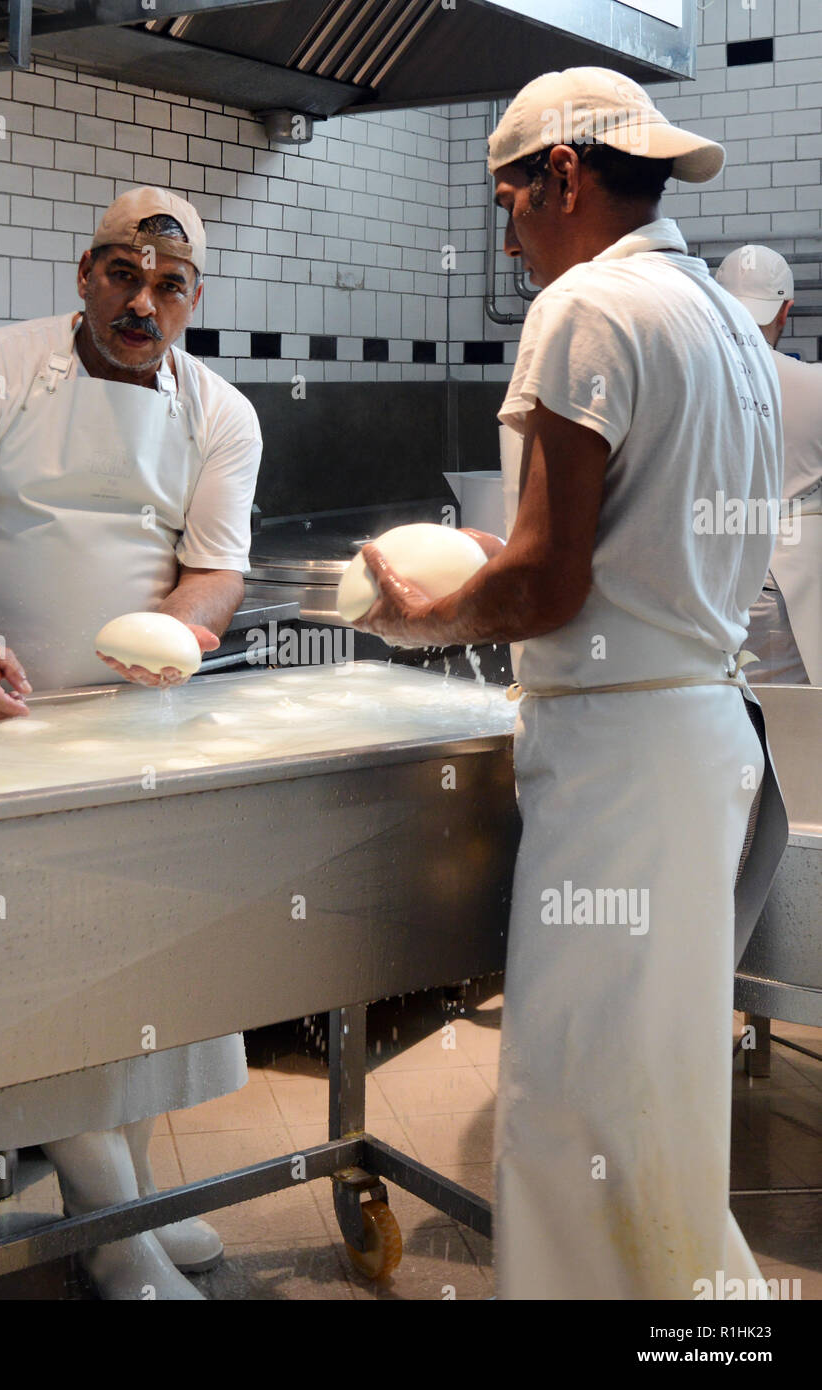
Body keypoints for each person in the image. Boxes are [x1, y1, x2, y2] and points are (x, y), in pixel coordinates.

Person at [353, 67, 788, 1299]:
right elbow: (615, 550)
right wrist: (505, 567)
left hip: (620, 759)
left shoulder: (588, 305)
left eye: (510, 203)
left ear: (561, 173)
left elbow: (549, 585)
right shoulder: (721, 322)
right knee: (655, 1080)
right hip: (698, 731)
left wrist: (430, 614)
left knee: (574, 1092)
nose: (507, 236)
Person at [0, 187, 262, 1299]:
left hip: (134, 729)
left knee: (138, 969)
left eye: (168, 284)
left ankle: (126, 1199)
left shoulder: (221, 411)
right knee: (42, 973)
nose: (142, 302)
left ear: (195, 297)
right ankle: (116, 1228)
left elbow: (217, 563)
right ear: (83, 273)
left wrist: (188, 634)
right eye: (121, 275)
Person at [715, 245, 821, 685]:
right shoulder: (815, 385)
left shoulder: (684, 382)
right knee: (791, 733)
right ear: (785, 310)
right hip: (792, 589)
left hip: (708, 579)